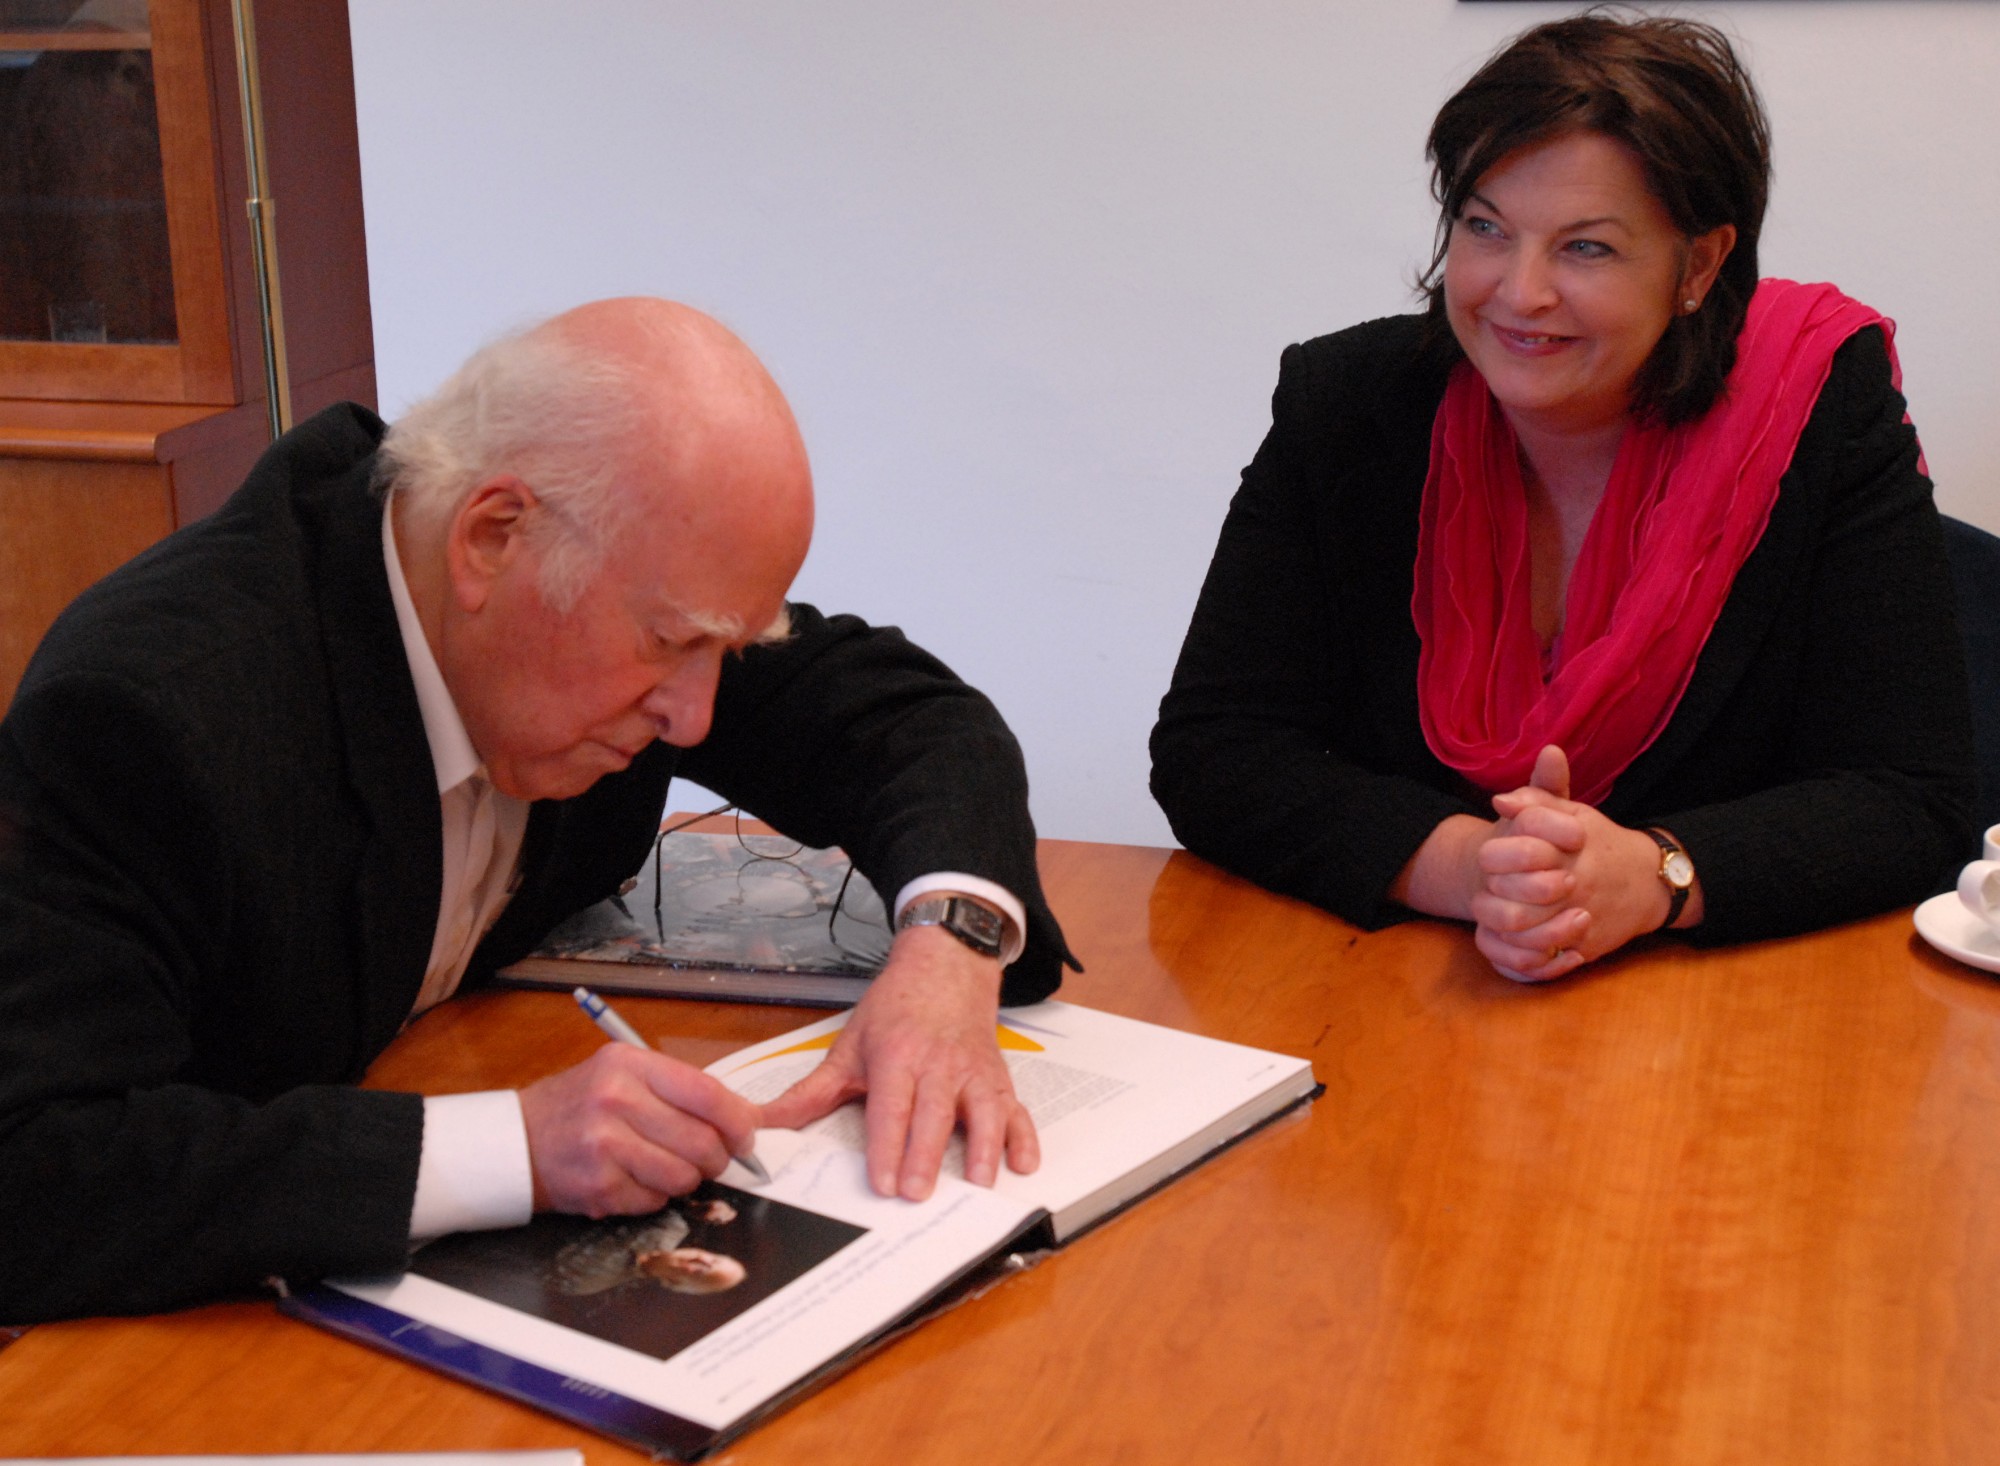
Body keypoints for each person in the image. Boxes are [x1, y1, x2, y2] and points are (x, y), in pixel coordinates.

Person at [0, 297, 1077, 1323]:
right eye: (669, 644)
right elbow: (32, 1167)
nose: (694, 717)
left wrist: (948, 951)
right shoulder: (152, 715)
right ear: (491, 537)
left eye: (728, 650)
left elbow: (912, 720)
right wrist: (516, 1146)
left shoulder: (610, 590)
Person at [1151, 14, 1974, 982]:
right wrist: (1465, 865)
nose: (1517, 292)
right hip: (1410, 988)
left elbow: (1909, 794)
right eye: (1483, 227)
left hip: (1730, 1014)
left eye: (1583, 248)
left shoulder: (1815, 411)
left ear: (1698, 266)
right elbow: (1216, 746)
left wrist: (1657, 872)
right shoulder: (1345, 403)